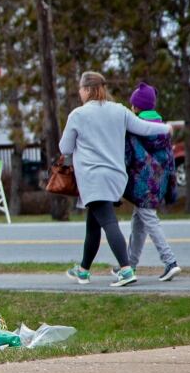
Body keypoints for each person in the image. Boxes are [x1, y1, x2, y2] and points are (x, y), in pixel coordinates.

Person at [60, 71, 172, 287]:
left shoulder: (78, 115)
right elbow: (143, 127)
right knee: (93, 224)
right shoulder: (119, 110)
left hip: (93, 177)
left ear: (87, 90)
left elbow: (64, 147)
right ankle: (83, 270)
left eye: (80, 89)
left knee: (109, 221)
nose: (80, 93)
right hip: (115, 177)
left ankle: (126, 269)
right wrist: (165, 128)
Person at [111, 82, 181, 281]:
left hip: (143, 183)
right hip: (159, 182)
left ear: (136, 107)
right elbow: (169, 159)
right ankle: (130, 265)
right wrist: (170, 186)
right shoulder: (162, 128)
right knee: (138, 223)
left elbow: (127, 155)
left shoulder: (135, 128)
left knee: (149, 220)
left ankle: (170, 262)